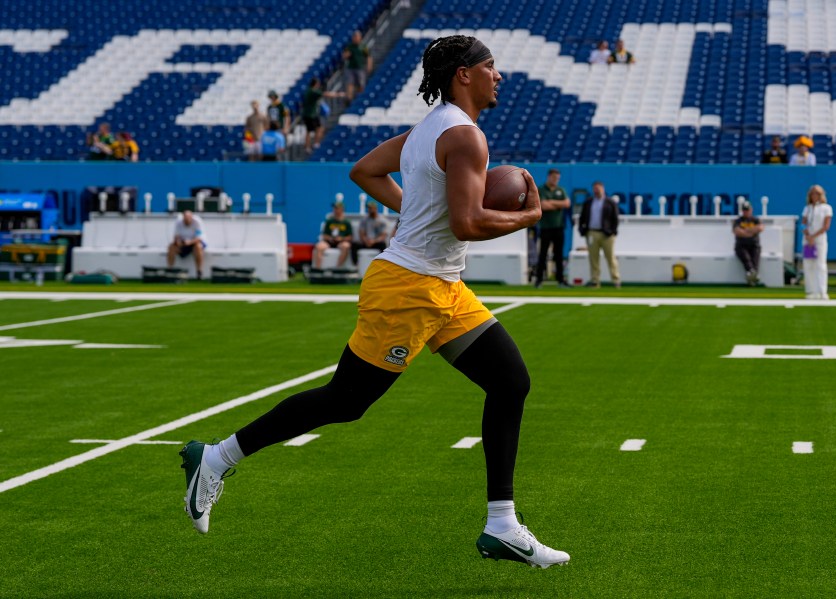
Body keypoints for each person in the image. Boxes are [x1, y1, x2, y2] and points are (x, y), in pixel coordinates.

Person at [178, 34, 569, 570]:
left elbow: (363, 171)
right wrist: (529, 217)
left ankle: (502, 525)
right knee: (346, 401)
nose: (499, 75)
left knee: (509, 381)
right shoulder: (466, 138)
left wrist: (417, 211)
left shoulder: (427, 130)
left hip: (441, 287)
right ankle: (216, 458)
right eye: (491, 66)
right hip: (409, 289)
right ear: (464, 74)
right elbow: (468, 223)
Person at [578, 181, 620, 288]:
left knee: (610, 258)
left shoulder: (610, 202)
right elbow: (582, 217)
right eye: (595, 189)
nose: (597, 191)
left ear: (603, 189)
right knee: (593, 259)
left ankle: (616, 280)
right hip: (592, 232)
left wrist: (612, 232)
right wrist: (582, 230)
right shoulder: (589, 202)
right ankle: (595, 281)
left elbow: (615, 218)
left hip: (607, 234)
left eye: (598, 188)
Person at [534, 168, 572, 288]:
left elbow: (567, 204)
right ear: (549, 177)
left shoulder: (561, 190)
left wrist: (551, 202)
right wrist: (557, 204)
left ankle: (560, 280)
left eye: (558, 178)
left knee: (559, 254)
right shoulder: (541, 189)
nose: (556, 180)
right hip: (545, 227)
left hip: (559, 226)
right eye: (554, 178)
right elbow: (543, 206)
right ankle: (539, 279)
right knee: (543, 254)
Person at [801, 184, 832, 299]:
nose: (815, 196)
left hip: (819, 239)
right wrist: (808, 236)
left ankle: (822, 291)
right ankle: (811, 291)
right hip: (807, 240)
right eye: (813, 193)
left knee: (821, 265)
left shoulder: (827, 208)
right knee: (808, 265)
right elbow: (803, 223)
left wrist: (813, 237)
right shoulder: (807, 208)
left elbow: (826, 226)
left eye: (817, 193)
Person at [301, 78, 345, 152]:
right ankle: (309, 145)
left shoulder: (308, 91)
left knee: (318, 127)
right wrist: (338, 94)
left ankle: (313, 144)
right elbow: (325, 94)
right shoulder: (313, 91)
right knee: (310, 130)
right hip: (310, 114)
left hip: (311, 114)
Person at [313, 200, 353, 268]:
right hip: (329, 242)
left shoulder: (346, 222)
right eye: (334, 208)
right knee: (319, 246)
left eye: (337, 208)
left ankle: (337, 267)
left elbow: (350, 237)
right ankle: (318, 268)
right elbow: (324, 235)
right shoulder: (329, 221)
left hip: (341, 242)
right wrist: (331, 238)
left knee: (346, 246)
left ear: (342, 209)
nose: (335, 210)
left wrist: (341, 238)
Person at [166, 210, 206, 279]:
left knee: (198, 247)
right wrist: (178, 242)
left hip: (194, 243)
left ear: (191, 218)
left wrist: (189, 242)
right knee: (171, 247)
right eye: (185, 219)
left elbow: (199, 238)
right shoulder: (178, 222)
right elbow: (176, 236)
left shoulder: (197, 222)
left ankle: (199, 271)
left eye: (188, 219)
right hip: (183, 243)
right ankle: (170, 270)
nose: (187, 221)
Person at [733, 202, 765, 286]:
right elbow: (737, 231)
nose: (746, 212)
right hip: (741, 245)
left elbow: (760, 228)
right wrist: (752, 231)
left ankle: (752, 275)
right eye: (744, 210)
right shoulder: (738, 220)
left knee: (755, 260)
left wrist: (746, 231)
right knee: (746, 259)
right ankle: (752, 274)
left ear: (751, 210)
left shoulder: (755, 219)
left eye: (747, 210)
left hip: (754, 245)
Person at [352, 199, 389, 264]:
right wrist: (366, 241)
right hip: (366, 241)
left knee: (383, 245)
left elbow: (383, 235)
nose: (370, 210)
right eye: (369, 208)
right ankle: (356, 264)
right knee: (354, 244)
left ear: (375, 208)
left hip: (376, 242)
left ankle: (382, 263)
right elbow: (361, 233)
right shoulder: (364, 220)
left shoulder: (382, 220)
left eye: (372, 208)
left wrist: (374, 241)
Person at [343, 30, 373, 102]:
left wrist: (369, 65)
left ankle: (359, 98)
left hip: (360, 68)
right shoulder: (350, 47)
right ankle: (349, 99)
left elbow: (368, 56)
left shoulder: (363, 47)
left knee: (361, 84)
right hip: (351, 68)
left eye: (357, 37)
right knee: (350, 83)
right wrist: (347, 55)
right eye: (354, 36)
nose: (355, 38)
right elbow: (344, 56)